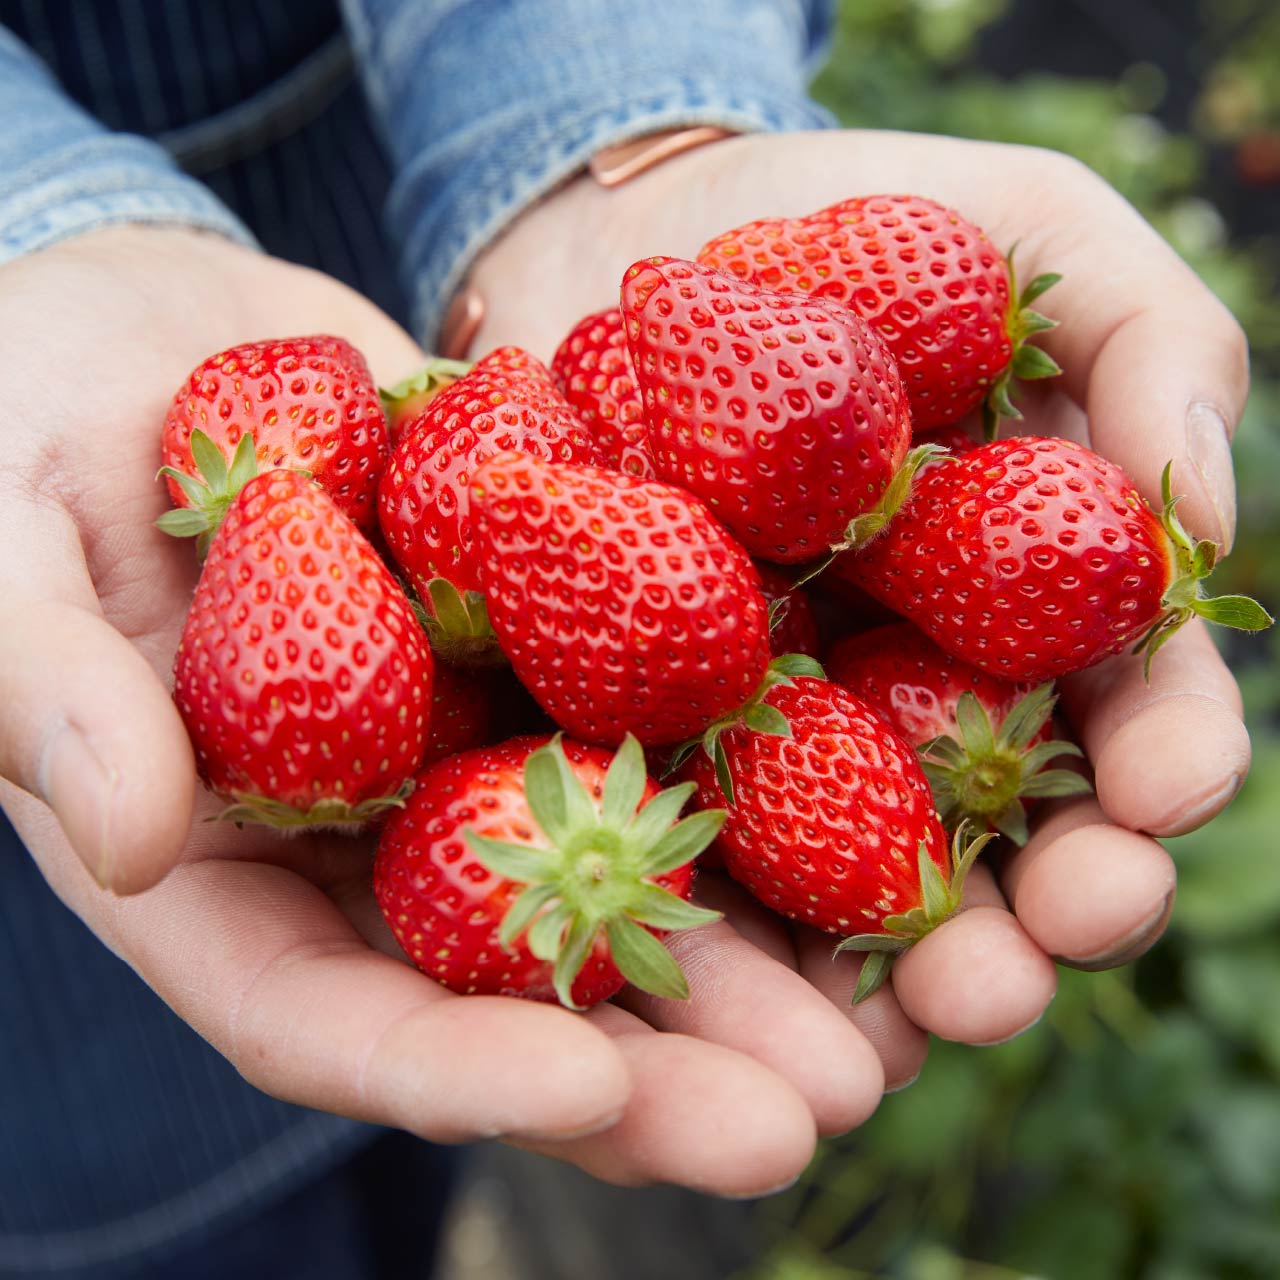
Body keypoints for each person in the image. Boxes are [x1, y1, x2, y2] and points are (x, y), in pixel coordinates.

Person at [0, 1, 1253, 1276]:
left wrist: (621, 118)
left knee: (430, 1139)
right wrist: (33, 230)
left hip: (379, 149)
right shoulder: (375, 520)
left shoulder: (636, 544)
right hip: (86, 1032)